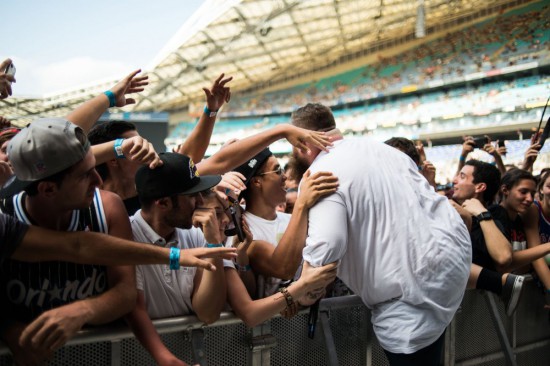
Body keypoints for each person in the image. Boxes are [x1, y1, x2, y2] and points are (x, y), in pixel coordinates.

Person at [289, 103, 471, 365]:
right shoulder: (383, 150)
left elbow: (327, 246)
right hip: (449, 266)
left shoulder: (320, 170)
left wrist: (302, 290)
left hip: (408, 294)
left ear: (301, 144)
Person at [0, 119, 136, 365]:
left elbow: (127, 292)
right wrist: (9, 329)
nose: (98, 180)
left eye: (96, 168)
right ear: (48, 189)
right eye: (85, 175)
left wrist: (85, 309)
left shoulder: (107, 207)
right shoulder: (5, 216)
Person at [125, 152, 229, 366]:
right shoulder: (125, 235)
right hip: (133, 357)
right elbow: (134, 309)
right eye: (192, 196)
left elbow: (208, 313)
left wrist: (213, 243)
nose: (201, 202)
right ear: (162, 203)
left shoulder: (196, 235)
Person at [234, 148, 339, 298]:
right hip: (271, 321)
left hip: (306, 318)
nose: (284, 176)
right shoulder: (244, 229)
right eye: (277, 171)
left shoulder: (291, 220)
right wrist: (302, 203)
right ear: (257, 181)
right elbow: (283, 268)